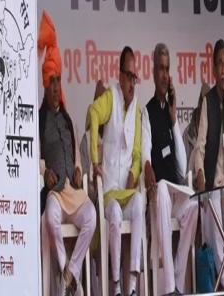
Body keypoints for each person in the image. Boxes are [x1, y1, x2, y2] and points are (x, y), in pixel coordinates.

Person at [39, 11, 95, 296]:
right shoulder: (39, 119)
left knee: (92, 217)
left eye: (57, 81)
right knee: (49, 219)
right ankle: (65, 272)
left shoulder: (68, 119)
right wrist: (43, 171)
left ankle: (71, 273)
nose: (54, 87)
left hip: (72, 191)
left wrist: (77, 169)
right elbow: (34, 157)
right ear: (44, 85)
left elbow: (75, 155)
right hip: (55, 194)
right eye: (50, 82)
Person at [140, 43, 199, 295]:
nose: (164, 75)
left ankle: (176, 275)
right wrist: (147, 165)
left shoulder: (171, 112)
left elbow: (183, 166)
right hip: (157, 194)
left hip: (173, 192)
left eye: (167, 69)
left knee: (194, 203)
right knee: (163, 188)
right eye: (160, 69)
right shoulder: (147, 111)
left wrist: (174, 120)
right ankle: (169, 289)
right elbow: (145, 151)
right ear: (154, 72)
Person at [88, 46, 145, 296]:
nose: (132, 82)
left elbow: (137, 154)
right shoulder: (111, 96)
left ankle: (132, 284)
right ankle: (116, 286)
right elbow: (92, 113)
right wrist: (94, 160)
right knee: (112, 212)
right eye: (128, 76)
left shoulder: (137, 109)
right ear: (120, 76)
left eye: (135, 77)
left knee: (140, 202)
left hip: (127, 191)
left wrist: (134, 172)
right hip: (110, 193)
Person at [192, 39, 224, 290]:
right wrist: (200, 172)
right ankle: (222, 281)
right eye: (219, 63)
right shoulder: (209, 101)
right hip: (213, 182)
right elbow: (199, 145)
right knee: (212, 204)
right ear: (213, 69)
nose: (223, 68)